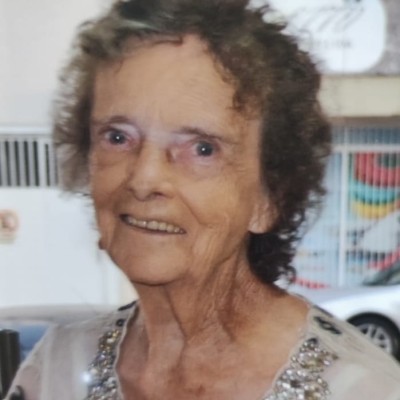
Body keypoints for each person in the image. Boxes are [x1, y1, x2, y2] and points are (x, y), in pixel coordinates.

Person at [6, 0, 400, 399]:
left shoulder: (363, 389)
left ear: (269, 196)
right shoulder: (56, 369)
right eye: (118, 137)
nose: (143, 179)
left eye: (202, 149)